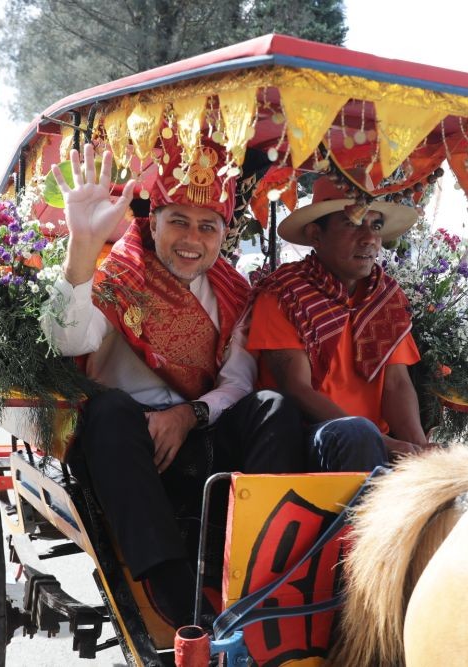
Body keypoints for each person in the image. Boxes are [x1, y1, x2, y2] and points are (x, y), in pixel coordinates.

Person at [40, 143, 304, 629]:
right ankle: (178, 599)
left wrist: (188, 416)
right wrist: (81, 243)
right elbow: (67, 338)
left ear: (225, 234)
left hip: (197, 434)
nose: (192, 239)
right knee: (110, 410)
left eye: (208, 227)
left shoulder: (233, 292)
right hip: (122, 446)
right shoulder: (119, 272)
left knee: (274, 407)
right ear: (154, 220)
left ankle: (260, 576)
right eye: (178, 220)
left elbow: (238, 383)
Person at [246, 177, 430, 472]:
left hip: (379, 444)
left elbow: (396, 383)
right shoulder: (283, 292)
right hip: (310, 439)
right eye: (352, 223)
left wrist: (420, 451)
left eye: (376, 226)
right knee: (357, 435)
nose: (369, 238)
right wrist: (384, 442)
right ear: (315, 235)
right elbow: (297, 389)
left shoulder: (387, 295)